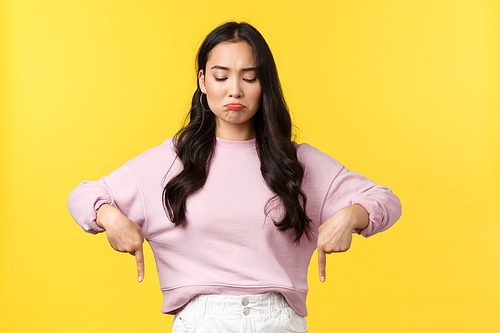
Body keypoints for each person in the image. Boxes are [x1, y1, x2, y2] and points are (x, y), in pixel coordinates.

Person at [68, 21, 402, 333]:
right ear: (202, 81)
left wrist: (350, 216)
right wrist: (110, 217)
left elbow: (385, 199)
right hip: (201, 321)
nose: (235, 90)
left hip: (279, 320)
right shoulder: (170, 160)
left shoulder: (296, 162)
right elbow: (82, 195)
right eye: (221, 76)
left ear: (264, 84)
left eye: (249, 77)